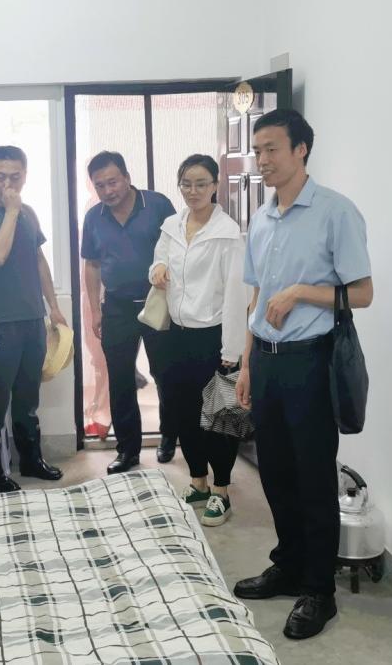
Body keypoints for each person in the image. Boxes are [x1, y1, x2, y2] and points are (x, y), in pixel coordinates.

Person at [232, 109, 374, 640]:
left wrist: (301, 292)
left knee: (313, 476)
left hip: (311, 360)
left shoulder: (336, 212)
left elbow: (362, 293)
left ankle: (319, 590)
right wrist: (247, 363)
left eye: (272, 149)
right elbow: (257, 296)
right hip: (267, 361)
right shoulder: (262, 218)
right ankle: (289, 565)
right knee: (274, 472)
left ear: (301, 150)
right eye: (257, 150)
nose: (262, 160)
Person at [148, 154, 247, 527]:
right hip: (176, 335)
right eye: (186, 184)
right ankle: (198, 482)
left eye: (201, 183)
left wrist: (232, 349)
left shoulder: (227, 234)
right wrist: (157, 268)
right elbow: (158, 260)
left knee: (219, 418)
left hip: (213, 338)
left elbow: (236, 294)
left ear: (215, 186)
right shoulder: (172, 225)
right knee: (183, 413)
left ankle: (222, 491)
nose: (193, 191)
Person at [0, 145, 66, 491]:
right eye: (0, 176)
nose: (8, 183)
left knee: (28, 395)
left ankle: (32, 460)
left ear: (25, 175)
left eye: (15, 176)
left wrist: (53, 306)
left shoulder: (29, 212)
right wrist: (10, 212)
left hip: (33, 318)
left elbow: (39, 260)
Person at [80, 151, 176, 474]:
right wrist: (95, 311)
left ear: (127, 178)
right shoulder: (94, 217)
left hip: (158, 300)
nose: (107, 191)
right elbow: (92, 265)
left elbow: (177, 250)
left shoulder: (157, 205)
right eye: (100, 185)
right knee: (120, 379)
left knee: (165, 374)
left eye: (112, 182)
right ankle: (128, 450)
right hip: (117, 307)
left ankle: (169, 435)